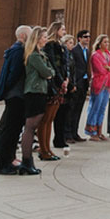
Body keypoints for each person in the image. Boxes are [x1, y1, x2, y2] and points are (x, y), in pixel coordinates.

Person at [0, 25, 29, 174]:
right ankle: (3, 164)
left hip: (16, 95)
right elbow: (13, 74)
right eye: (30, 34)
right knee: (9, 130)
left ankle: (10, 159)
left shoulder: (20, 49)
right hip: (15, 95)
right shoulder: (18, 50)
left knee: (14, 130)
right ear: (22, 36)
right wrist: (9, 90)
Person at [21, 26, 55, 175]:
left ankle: (27, 162)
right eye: (44, 37)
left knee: (32, 127)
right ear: (37, 38)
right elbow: (47, 72)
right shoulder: (34, 55)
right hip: (34, 92)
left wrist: (49, 73)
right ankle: (26, 161)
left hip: (40, 91)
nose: (46, 39)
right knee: (30, 127)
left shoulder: (41, 54)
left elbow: (51, 71)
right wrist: (49, 73)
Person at [39, 21, 68, 161]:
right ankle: (43, 149)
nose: (64, 31)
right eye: (62, 29)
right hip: (53, 84)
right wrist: (61, 80)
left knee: (51, 119)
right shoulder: (50, 45)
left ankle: (48, 148)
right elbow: (52, 64)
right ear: (56, 30)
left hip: (60, 83)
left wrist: (66, 79)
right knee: (46, 119)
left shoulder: (61, 46)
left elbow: (64, 64)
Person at [85, 34, 110, 140]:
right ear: (99, 44)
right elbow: (100, 70)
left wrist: (108, 68)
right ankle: (91, 131)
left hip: (107, 84)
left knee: (103, 108)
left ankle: (99, 131)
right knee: (95, 107)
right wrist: (109, 68)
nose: (107, 44)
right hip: (98, 84)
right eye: (105, 42)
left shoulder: (109, 54)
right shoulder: (95, 55)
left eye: (108, 42)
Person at [53, 35, 76, 153]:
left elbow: (72, 71)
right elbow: (61, 70)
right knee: (59, 115)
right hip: (63, 87)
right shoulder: (61, 55)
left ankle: (62, 137)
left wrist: (73, 84)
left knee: (65, 114)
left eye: (72, 43)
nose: (72, 45)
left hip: (69, 86)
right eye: (70, 42)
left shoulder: (70, 55)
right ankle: (58, 138)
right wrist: (66, 83)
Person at [67, 30, 90, 142]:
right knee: (71, 109)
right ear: (79, 38)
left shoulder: (87, 51)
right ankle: (68, 134)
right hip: (77, 82)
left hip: (84, 83)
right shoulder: (74, 50)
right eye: (85, 37)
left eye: (89, 36)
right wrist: (73, 83)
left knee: (79, 109)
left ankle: (75, 132)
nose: (88, 39)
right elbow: (72, 68)